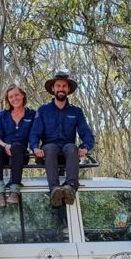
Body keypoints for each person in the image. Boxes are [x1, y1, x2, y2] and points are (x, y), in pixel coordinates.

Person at [29, 71, 95, 207]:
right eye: (58, 86)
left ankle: (71, 187)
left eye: (64, 86)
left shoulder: (76, 111)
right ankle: (54, 189)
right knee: (50, 147)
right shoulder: (43, 110)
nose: (61, 88)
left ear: (68, 89)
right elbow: (34, 133)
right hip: (48, 153)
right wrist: (35, 147)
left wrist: (85, 147)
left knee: (71, 147)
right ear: (53, 88)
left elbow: (86, 133)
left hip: (68, 153)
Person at [0, 84, 36, 208]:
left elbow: (35, 136)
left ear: (23, 95)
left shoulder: (32, 115)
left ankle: (14, 191)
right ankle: (0, 192)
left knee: (17, 146)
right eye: (11, 97)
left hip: (21, 154)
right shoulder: (2, 116)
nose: (14, 98)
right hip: (3, 154)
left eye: (16, 95)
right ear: (8, 100)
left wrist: (37, 148)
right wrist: (5, 146)